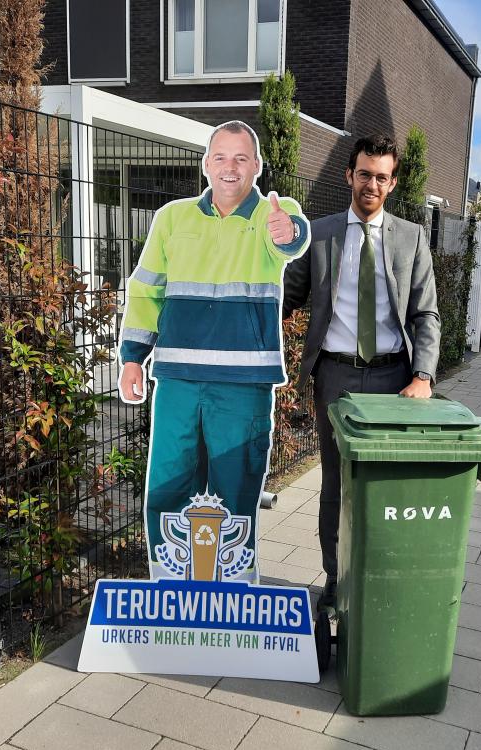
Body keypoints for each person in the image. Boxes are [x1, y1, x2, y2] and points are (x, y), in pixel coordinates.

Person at [119, 120, 310, 582]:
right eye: (221, 157)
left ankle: (234, 591)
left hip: (242, 386)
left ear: (257, 166)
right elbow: (147, 291)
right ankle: (168, 584)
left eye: (241, 158)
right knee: (168, 484)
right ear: (206, 164)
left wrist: (291, 231)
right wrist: (131, 356)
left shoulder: (272, 215)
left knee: (235, 488)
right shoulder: (172, 217)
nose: (230, 168)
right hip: (179, 381)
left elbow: (292, 238)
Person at [283, 134, 440, 609]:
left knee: (383, 483)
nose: (371, 183)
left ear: (392, 184)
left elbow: (425, 314)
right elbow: (285, 298)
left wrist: (424, 377)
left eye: (381, 176)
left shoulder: (411, 238)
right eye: (364, 173)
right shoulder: (321, 233)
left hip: (395, 381)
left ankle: (379, 574)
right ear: (348, 175)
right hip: (336, 379)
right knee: (335, 484)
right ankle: (336, 577)